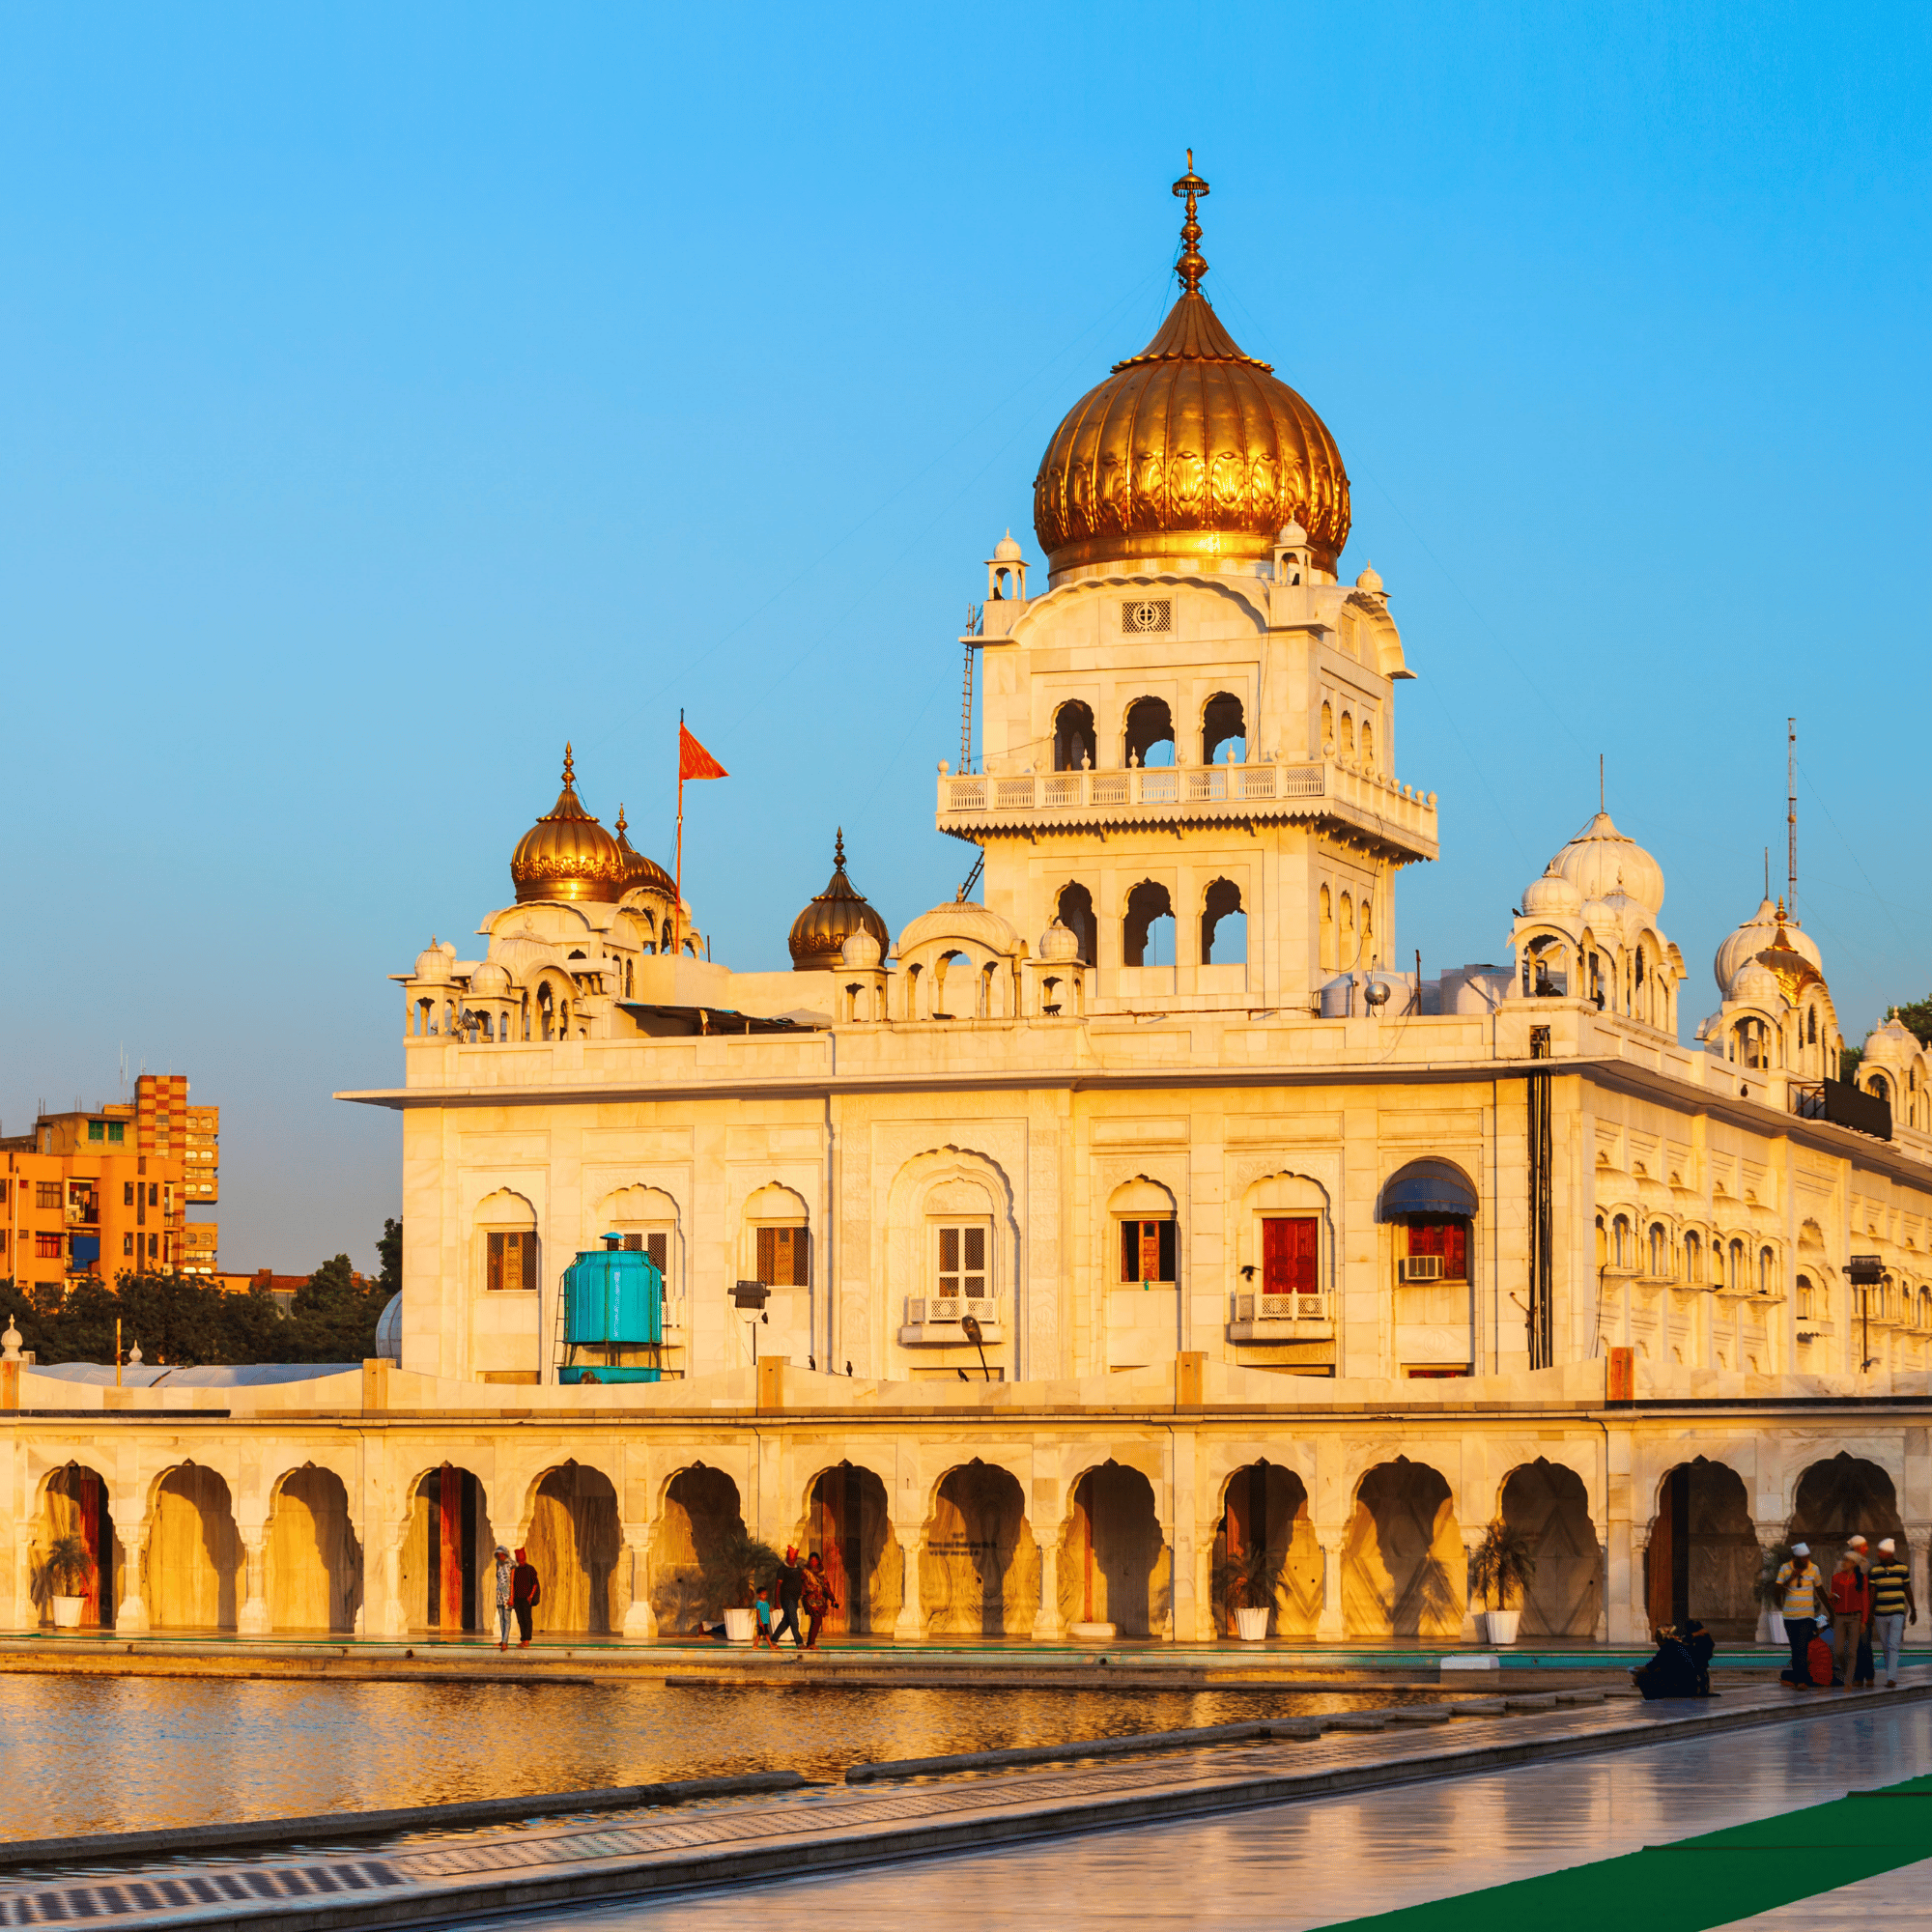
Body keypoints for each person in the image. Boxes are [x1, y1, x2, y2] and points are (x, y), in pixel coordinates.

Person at [1868, 1537, 1918, 1688]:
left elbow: (1907, 1589)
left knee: (1893, 1644)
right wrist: (1870, 1613)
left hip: (1897, 1612)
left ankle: (1892, 1678)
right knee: (1885, 1645)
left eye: (1881, 1552)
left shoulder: (1902, 1568)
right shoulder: (1875, 1570)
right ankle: (1890, 1675)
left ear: (1889, 1553)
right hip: (1880, 1613)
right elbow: (1873, 1593)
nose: (1878, 1554)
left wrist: (1913, 1609)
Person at [1776, 1543, 1826, 1685]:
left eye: (1807, 1557)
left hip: (1806, 1616)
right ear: (1795, 1558)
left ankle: (1802, 1681)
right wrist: (1792, 1577)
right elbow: (1777, 1590)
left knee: (1802, 1647)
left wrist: (1831, 1611)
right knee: (1795, 1649)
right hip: (1790, 1617)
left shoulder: (1814, 1569)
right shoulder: (1785, 1568)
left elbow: (1820, 1590)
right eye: (1803, 1558)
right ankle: (1798, 1679)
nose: (1806, 1560)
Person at [1827, 1550, 1870, 1690]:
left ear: (1853, 1563)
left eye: (1846, 1560)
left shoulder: (1862, 1579)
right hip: (1840, 1616)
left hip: (1855, 1617)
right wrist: (1831, 1599)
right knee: (1838, 1651)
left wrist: (1863, 1621)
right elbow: (1835, 1600)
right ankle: (1847, 1675)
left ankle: (1848, 1681)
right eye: (1843, 1559)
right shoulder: (1836, 1578)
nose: (1843, 1562)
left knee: (1852, 1651)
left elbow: (1865, 1600)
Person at [1632, 1625, 1697, 1699]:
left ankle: (1652, 1699)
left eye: (1657, 1637)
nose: (1657, 1640)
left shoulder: (1666, 1649)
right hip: (1690, 1685)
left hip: (1680, 1687)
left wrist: (1637, 1674)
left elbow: (1650, 1667)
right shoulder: (1678, 1646)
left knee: (1641, 1676)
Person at [803, 1550, 839, 1648]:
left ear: (818, 1561)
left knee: (817, 1621)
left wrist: (833, 1599)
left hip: (819, 1600)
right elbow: (800, 1585)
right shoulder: (805, 1573)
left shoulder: (821, 1574)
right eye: (811, 1560)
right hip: (810, 1599)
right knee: (816, 1618)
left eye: (815, 1560)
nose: (813, 1562)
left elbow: (826, 1588)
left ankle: (811, 1643)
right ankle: (810, 1643)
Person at [772, 1546, 806, 1648]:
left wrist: (803, 1591)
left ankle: (773, 1640)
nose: (792, 1560)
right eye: (790, 1558)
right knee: (794, 1620)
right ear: (787, 1557)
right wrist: (776, 1601)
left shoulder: (798, 1569)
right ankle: (799, 1643)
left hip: (795, 1599)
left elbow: (802, 1581)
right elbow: (778, 1586)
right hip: (786, 1598)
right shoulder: (782, 1569)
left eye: (794, 1558)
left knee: (786, 1621)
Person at [511, 1547, 541, 1647]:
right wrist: (512, 1597)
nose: (521, 1561)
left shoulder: (530, 1569)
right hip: (517, 1598)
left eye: (522, 1559)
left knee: (527, 1619)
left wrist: (531, 1596)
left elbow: (535, 1583)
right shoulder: (515, 1570)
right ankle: (524, 1639)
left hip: (526, 1598)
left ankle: (527, 1640)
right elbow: (513, 1584)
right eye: (519, 1559)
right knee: (520, 1619)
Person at [1683, 1618, 1717, 1696]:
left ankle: (1702, 1690)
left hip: (1700, 1658)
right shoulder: (1695, 1635)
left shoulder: (1703, 1637)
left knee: (1701, 1674)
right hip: (1697, 1659)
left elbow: (1709, 1646)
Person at [493, 1544, 515, 1652]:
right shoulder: (498, 1564)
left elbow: (512, 1581)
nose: (500, 1556)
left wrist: (511, 1596)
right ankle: (503, 1639)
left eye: (502, 1554)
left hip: (507, 1591)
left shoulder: (511, 1564)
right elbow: (498, 1577)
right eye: (498, 1555)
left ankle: (505, 1641)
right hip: (499, 1592)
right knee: (501, 1617)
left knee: (507, 1617)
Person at [753, 1585, 776, 1649]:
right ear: (759, 1595)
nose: (765, 1596)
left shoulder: (766, 1603)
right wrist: (760, 1621)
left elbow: (768, 1610)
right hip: (761, 1622)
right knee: (766, 1634)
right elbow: (758, 1612)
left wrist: (773, 1609)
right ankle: (770, 1645)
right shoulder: (759, 1603)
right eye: (763, 1594)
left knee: (760, 1634)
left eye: (765, 1594)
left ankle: (755, 1645)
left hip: (765, 1621)